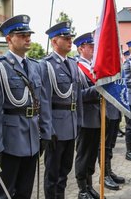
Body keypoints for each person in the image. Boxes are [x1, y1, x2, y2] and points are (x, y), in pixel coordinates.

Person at [0, 14, 49, 199]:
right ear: (9, 39)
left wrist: (44, 133)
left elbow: (41, 103)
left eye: (29, 34)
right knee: (5, 193)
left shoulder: (35, 66)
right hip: (9, 143)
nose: (28, 38)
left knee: (25, 192)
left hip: (32, 139)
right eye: (22, 34)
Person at [40, 21, 83, 199]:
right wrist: (47, 129)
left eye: (70, 38)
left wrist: (79, 121)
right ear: (54, 41)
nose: (69, 41)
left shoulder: (73, 64)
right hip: (56, 129)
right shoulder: (46, 65)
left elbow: (77, 95)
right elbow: (44, 100)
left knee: (65, 171)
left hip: (71, 125)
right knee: (52, 173)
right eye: (65, 38)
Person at [73, 32, 102, 198]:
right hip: (85, 117)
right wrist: (98, 88)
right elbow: (78, 96)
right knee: (83, 154)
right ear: (81, 48)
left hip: (97, 116)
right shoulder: (77, 68)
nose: (93, 49)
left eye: (93, 46)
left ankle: (89, 185)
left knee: (92, 154)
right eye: (90, 46)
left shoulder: (94, 67)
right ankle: (82, 188)